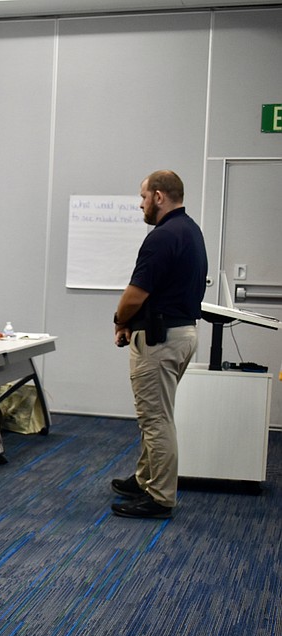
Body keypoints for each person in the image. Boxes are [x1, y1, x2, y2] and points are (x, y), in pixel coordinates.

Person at [110, 170, 207, 519]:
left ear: (159, 196)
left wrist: (120, 320)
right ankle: (145, 478)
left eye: (143, 197)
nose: (141, 205)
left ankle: (160, 497)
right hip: (180, 334)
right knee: (156, 414)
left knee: (155, 419)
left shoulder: (162, 236)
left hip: (160, 339)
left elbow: (135, 295)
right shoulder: (190, 230)